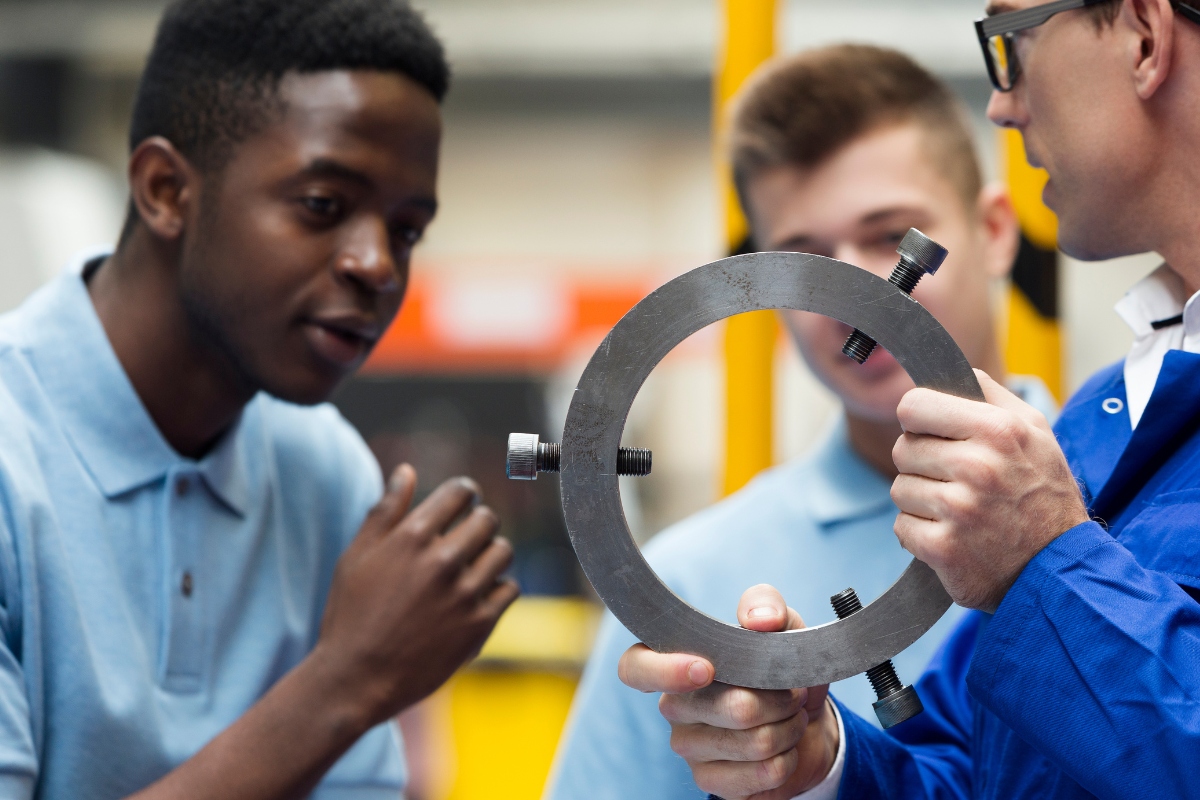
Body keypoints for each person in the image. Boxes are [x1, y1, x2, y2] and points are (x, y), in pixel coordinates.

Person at [618, 1, 1200, 798]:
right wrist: (820, 761)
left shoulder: (1039, 491)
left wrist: (1045, 561)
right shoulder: (1103, 417)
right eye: (807, 252)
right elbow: (988, 774)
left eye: (1010, 41)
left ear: (1142, 33)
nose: (1002, 101)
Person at [0, 1, 521, 798]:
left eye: (408, 230)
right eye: (324, 205)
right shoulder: (14, 460)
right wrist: (347, 682)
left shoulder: (326, 473)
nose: (378, 265)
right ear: (166, 190)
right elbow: (343, 697)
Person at [546, 45, 1058, 800]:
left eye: (892, 235)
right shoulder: (685, 582)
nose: (849, 294)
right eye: (805, 258)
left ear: (994, 231)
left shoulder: (1138, 483)